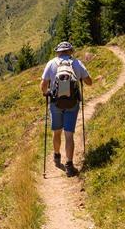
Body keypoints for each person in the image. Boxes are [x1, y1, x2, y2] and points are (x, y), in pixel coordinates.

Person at [40, 41, 92, 177]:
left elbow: (44, 84)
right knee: (69, 135)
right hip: (72, 103)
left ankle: (57, 157)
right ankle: (69, 165)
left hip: (55, 103)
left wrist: (46, 93)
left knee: (57, 132)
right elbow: (89, 82)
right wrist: (80, 78)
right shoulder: (76, 63)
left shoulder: (51, 63)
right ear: (70, 51)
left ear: (58, 52)